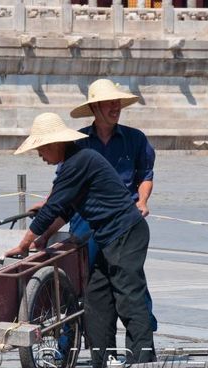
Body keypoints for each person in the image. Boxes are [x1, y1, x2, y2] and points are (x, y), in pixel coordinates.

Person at [5, 113, 156, 368]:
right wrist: (45, 237)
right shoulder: (74, 163)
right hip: (107, 237)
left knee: (129, 299)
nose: (40, 155)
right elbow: (65, 209)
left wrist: (25, 243)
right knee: (97, 302)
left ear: (54, 144)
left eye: (40, 149)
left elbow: (52, 207)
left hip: (126, 233)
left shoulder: (79, 161)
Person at [68, 78, 158, 332]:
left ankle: (143, 335)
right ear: (95, 108)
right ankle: (67, 342)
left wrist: (142, 200)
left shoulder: (136, 139)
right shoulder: (78, 142)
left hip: (123, 224)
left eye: (117, 102)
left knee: (130, 279)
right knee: (83, 283)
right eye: (109, 103)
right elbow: (64, 184)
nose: (115, 107)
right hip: (86, 222)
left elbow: (145, 177)